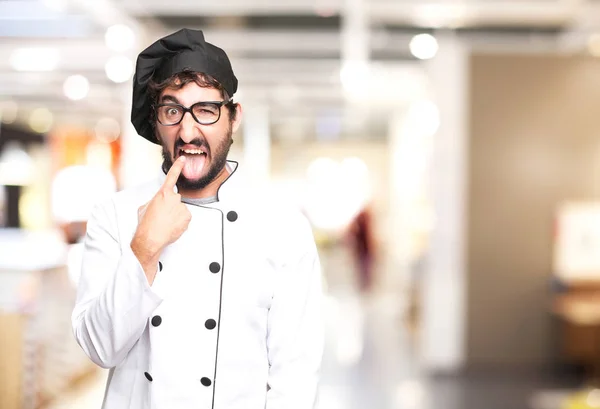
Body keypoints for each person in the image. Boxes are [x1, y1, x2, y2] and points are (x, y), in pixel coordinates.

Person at [71, 28, 324, 409]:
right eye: (172, 111)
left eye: (205, 110)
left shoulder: (282, 227)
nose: (188, 131)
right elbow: (99, 348)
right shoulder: (115, 215)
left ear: (234, 116)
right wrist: (144, 249)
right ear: (156, 122)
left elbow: (295, 375)